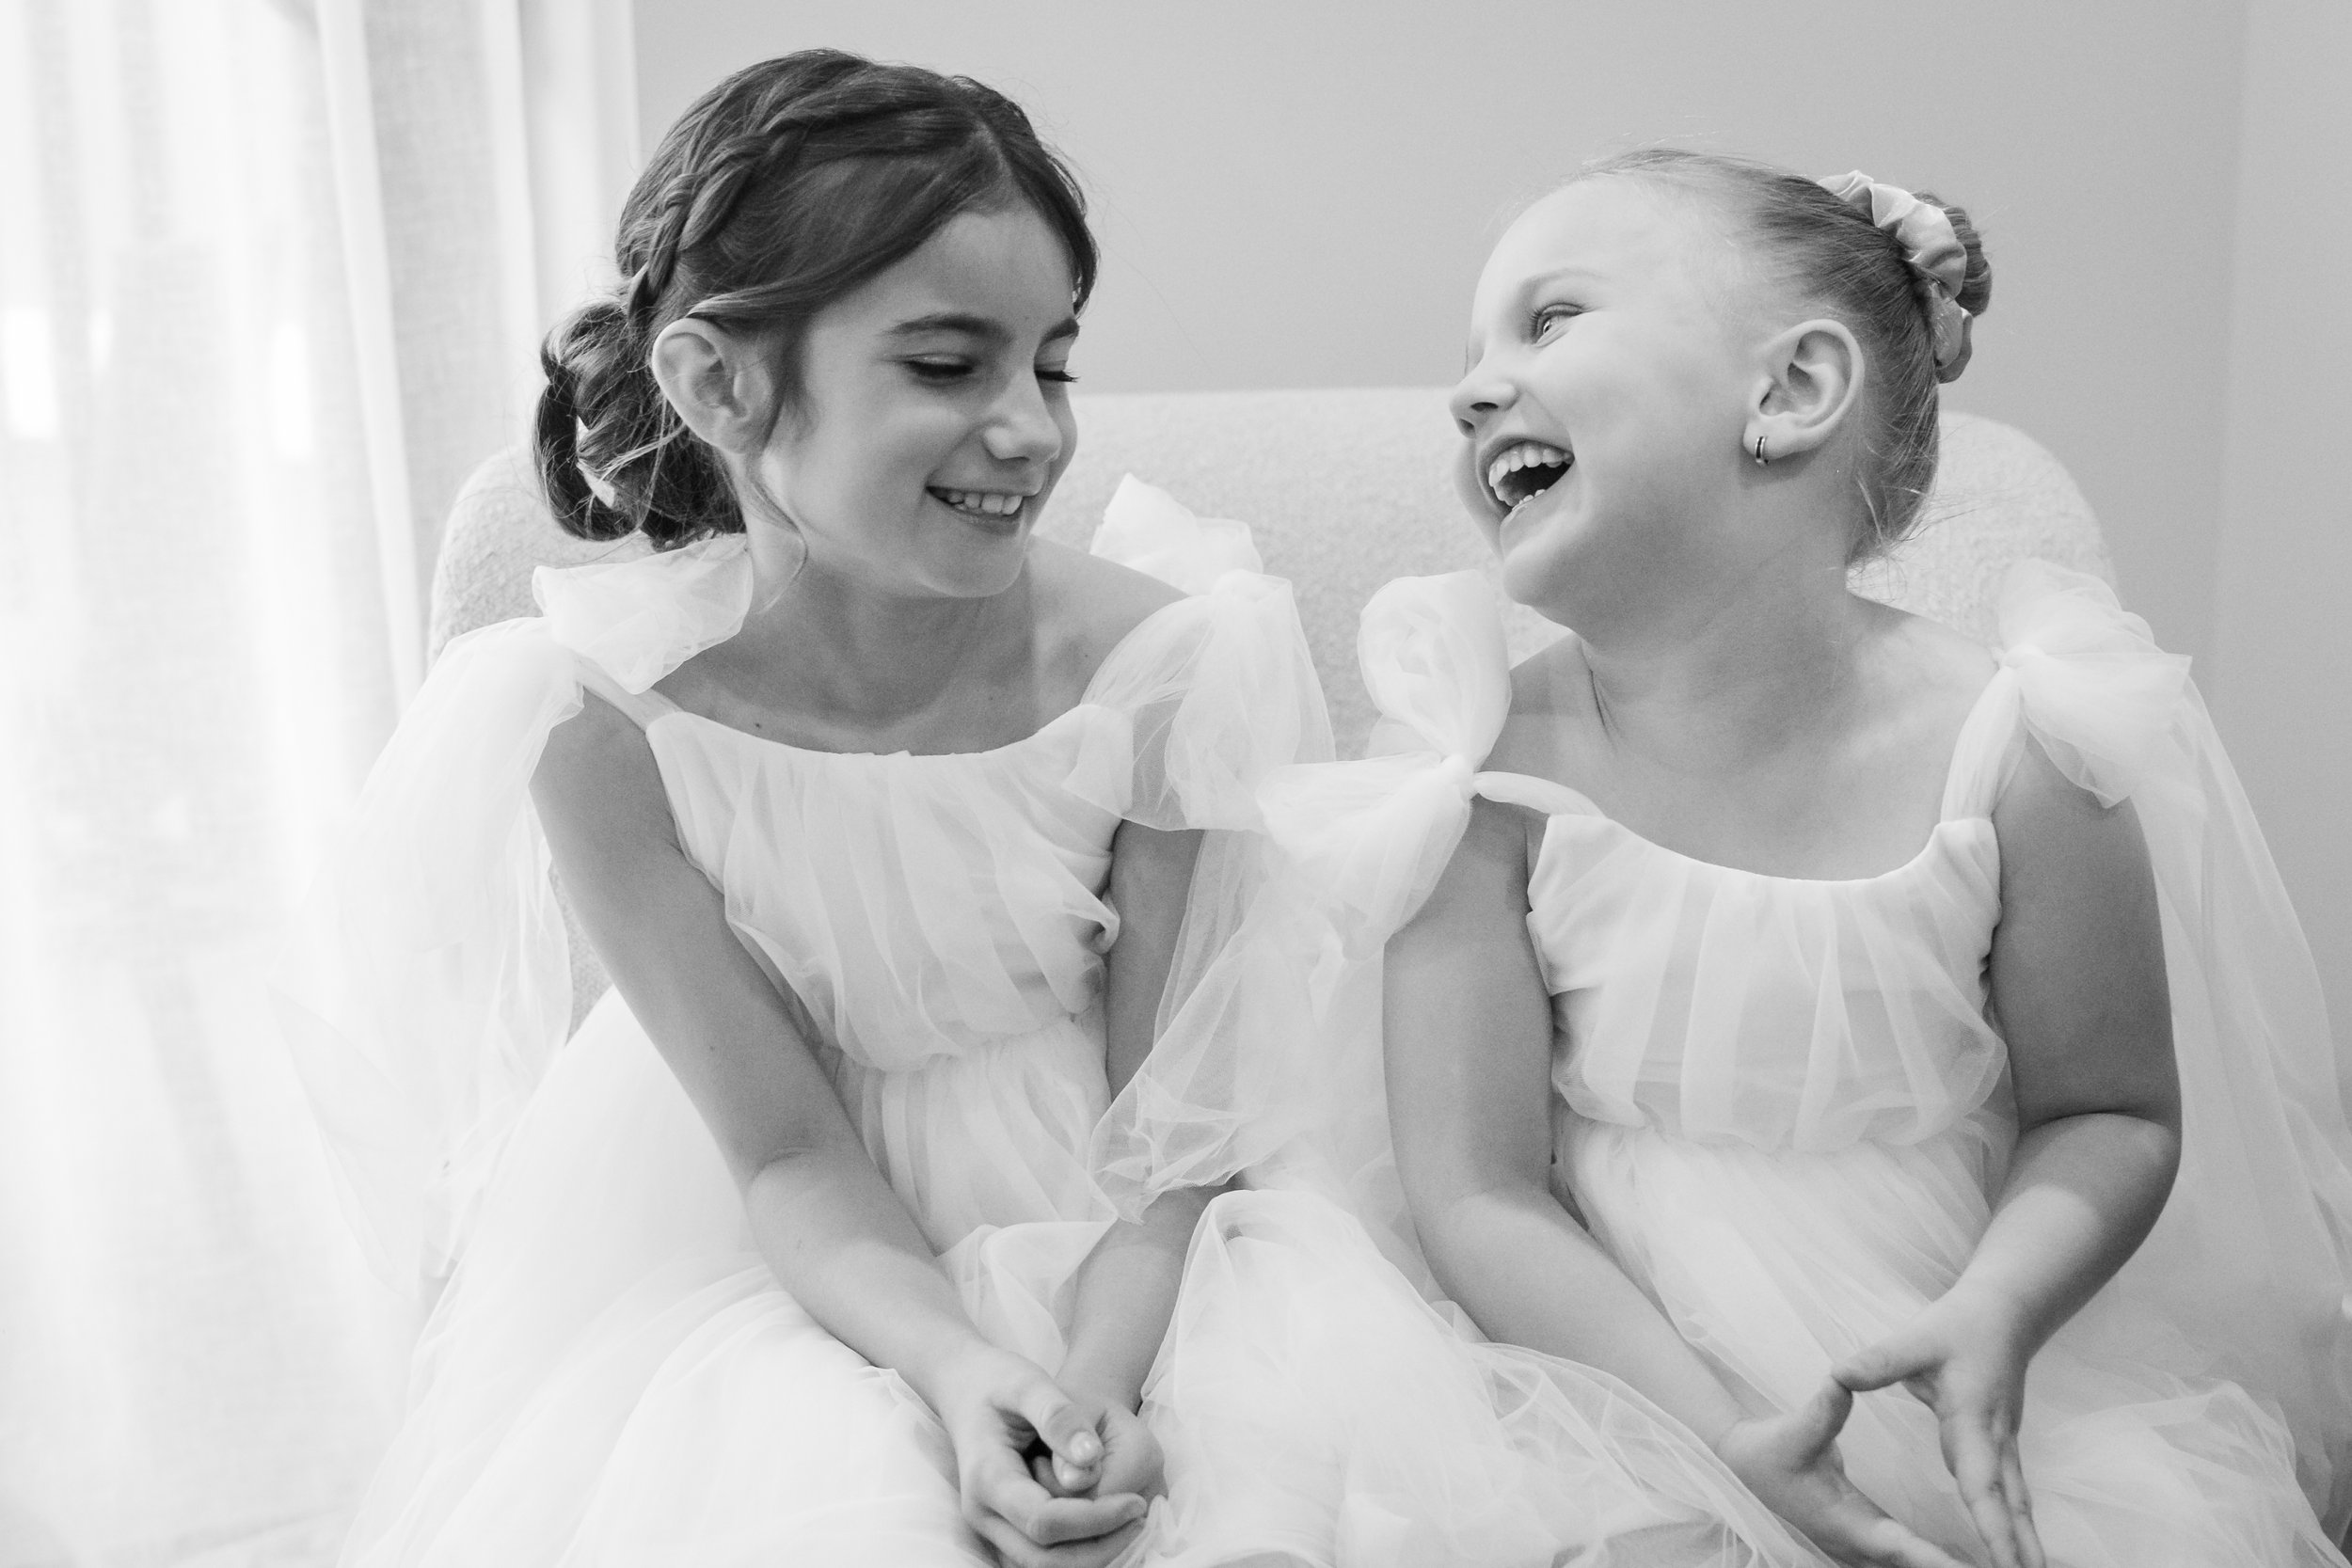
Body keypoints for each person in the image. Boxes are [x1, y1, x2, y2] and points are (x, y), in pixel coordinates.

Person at [277, 50, 1334, 1566]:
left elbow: (1173, 1148)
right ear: (719, 380)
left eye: (1052, 363)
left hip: (1128, 1245)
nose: (1032, 430)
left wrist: (1083, 1390)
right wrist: (969, 1376)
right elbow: (786, 1159)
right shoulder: (602, 726)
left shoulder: (1167, 666)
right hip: (784, 1251)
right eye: (946, 364)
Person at [1229, 149, 2352, 1567]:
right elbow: (1478, 1191)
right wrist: (1720, 1432)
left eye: (1550, 320)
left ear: (1790, 394)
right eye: (1471, 353)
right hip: (1600, 1353)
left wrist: (1999, 1306)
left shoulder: (2023, 749)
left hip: (1942, 1328)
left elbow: (2111, 1110)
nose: (1469, 388)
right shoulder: (1487, 774)